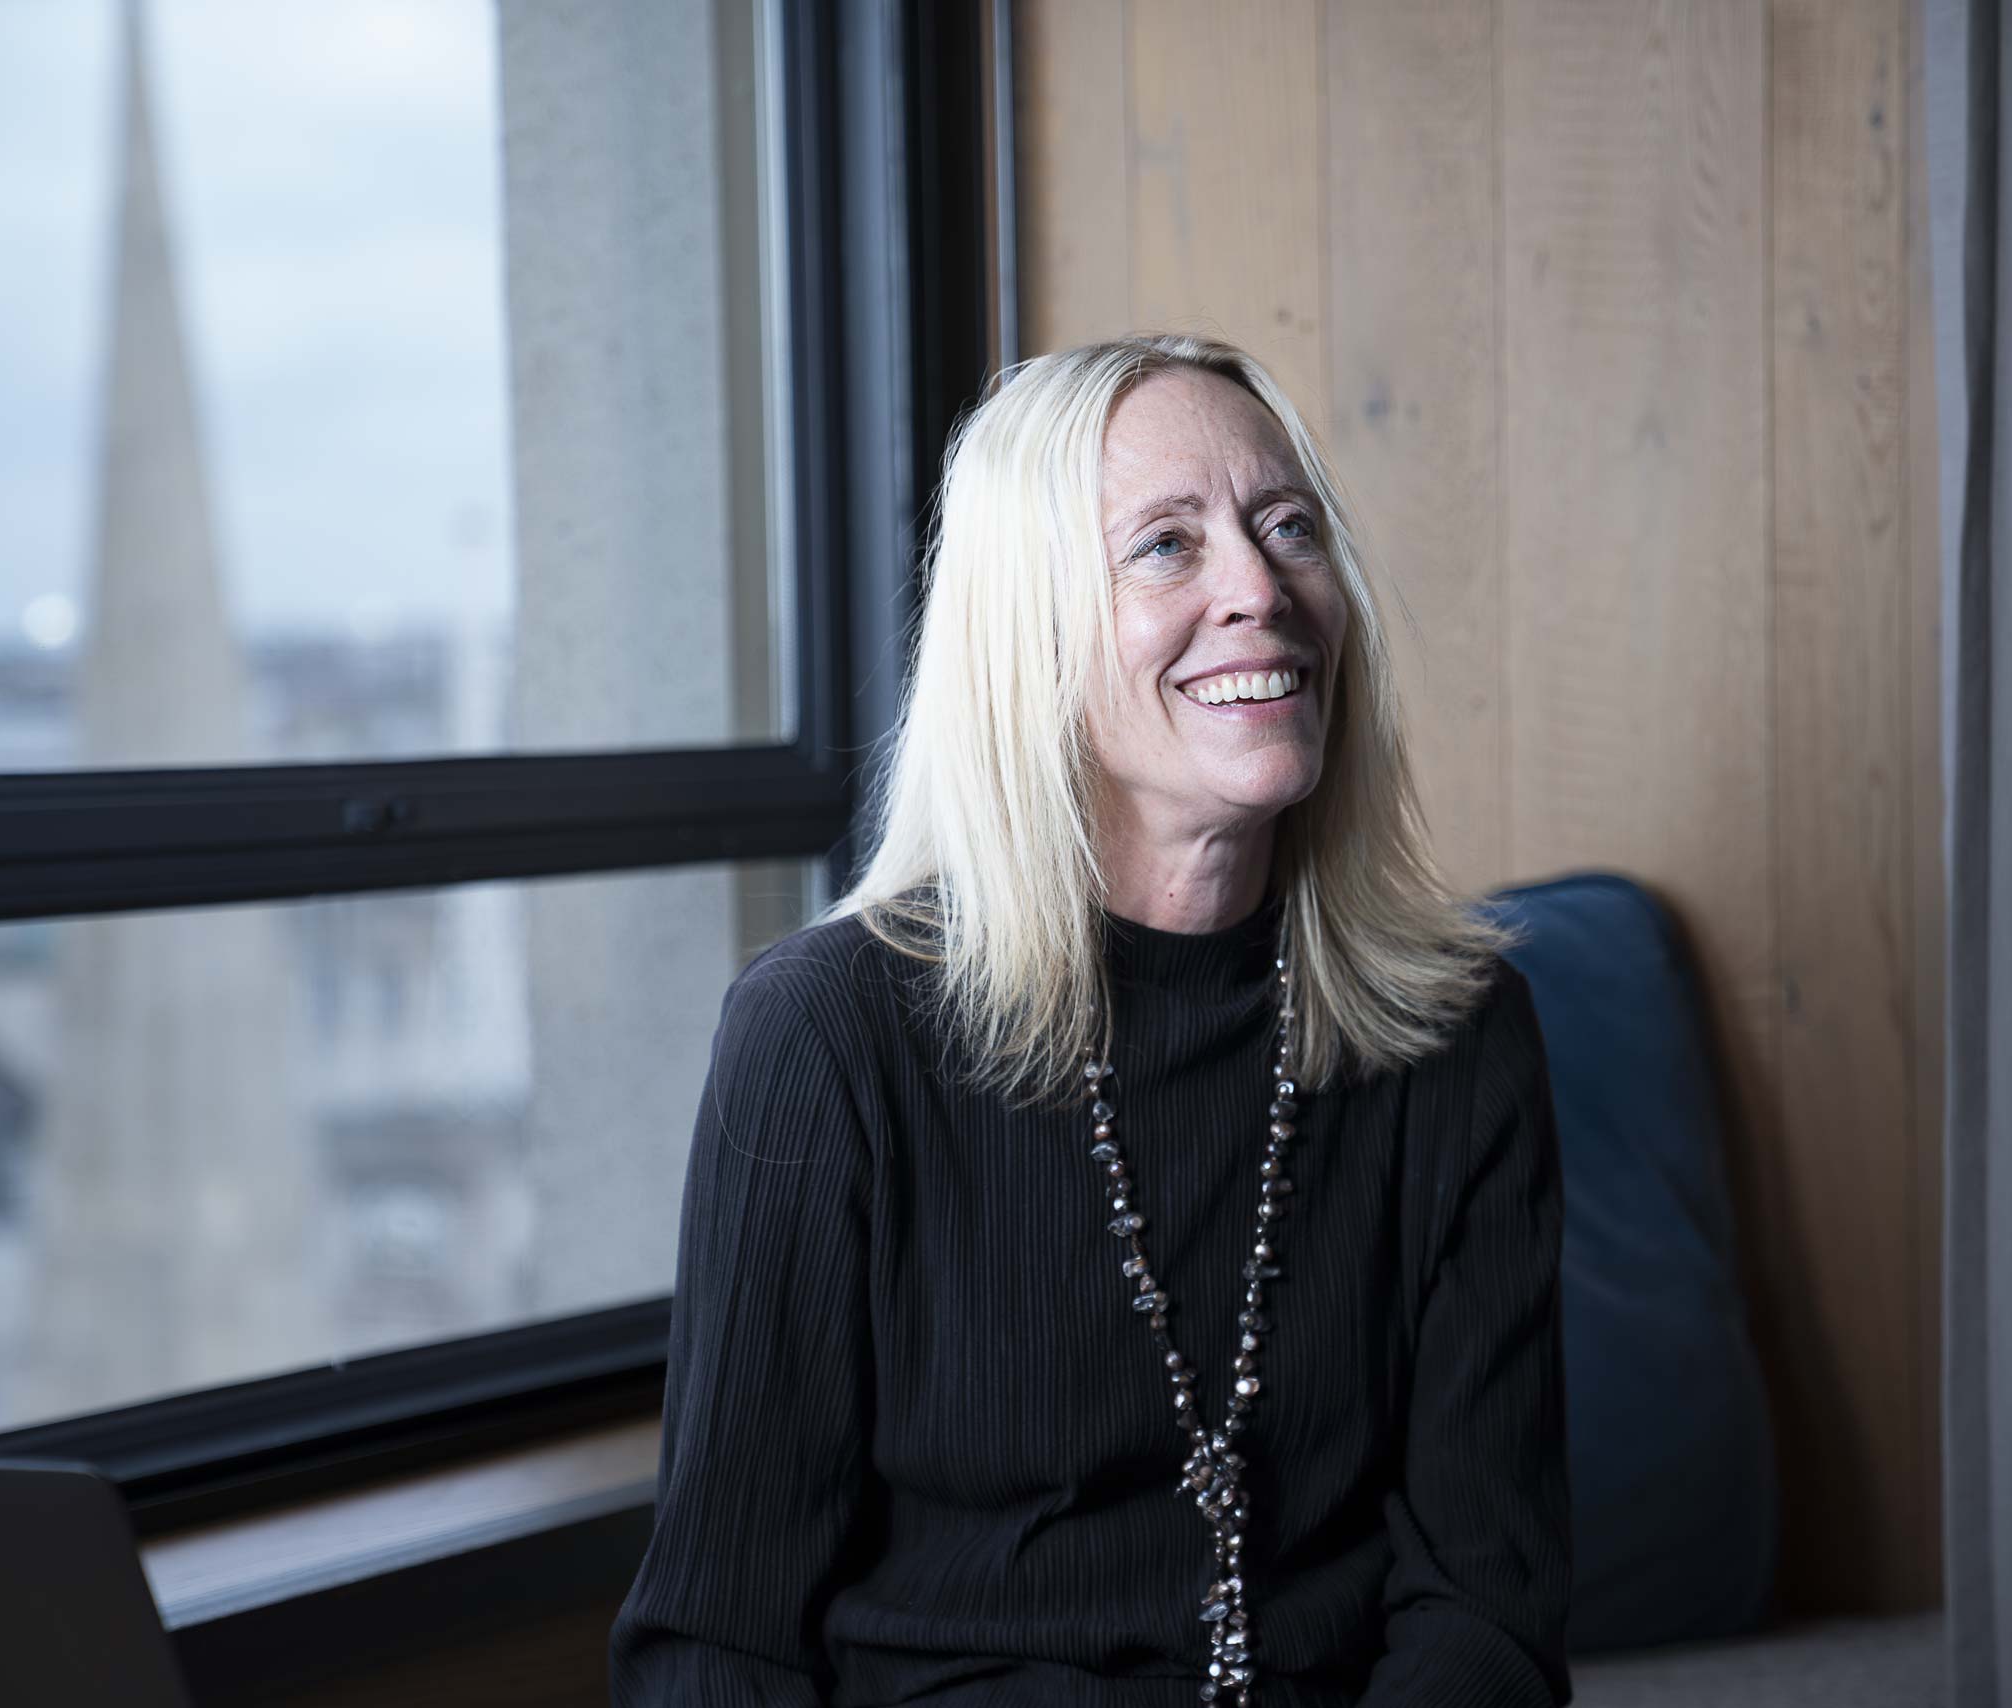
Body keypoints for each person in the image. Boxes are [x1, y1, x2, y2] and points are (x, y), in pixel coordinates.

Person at [609, 333, 1571, 1707]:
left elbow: (1485, 1609)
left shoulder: (1462, 1032)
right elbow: (716, 1647)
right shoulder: (825, 1039)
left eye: (1287, 526)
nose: (1262, 590)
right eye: (1168, 547)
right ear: (1032, 635)